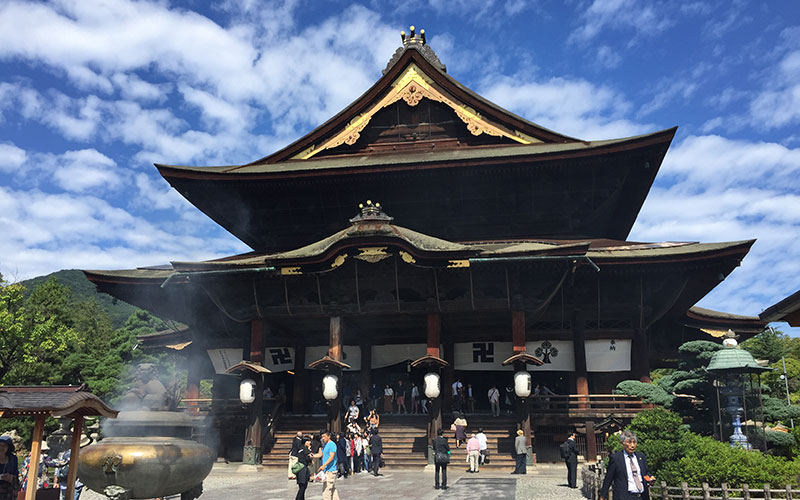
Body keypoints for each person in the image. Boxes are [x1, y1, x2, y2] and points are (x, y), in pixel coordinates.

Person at [600, 430, 654, 500]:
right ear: (622, 444)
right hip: (625, 496)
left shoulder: (641, 456)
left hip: (642, 496)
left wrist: (650, 478)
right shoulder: (616, 458)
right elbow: (608, 478)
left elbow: (646, 472)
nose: (632, 445)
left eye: (634, 442)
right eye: (629, 442)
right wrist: (603, 496)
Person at [315, 431, 339, 500]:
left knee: (326, 490)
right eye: (322, 437)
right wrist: (312, 455)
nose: (323, 438)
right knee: (332, 488)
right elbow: (320, 454)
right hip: (326, 470)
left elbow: (331, 457)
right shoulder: (325, 445)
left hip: (331, 470)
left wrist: (324, 465)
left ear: (329, 436)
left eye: (324, 436)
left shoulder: (332, 444)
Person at [0, 435, 19, 500]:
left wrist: (11, 477)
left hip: (9, 493)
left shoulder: (13, 459)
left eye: (4, 446)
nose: (2, 448)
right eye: (0, 445)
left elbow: (16, 476)